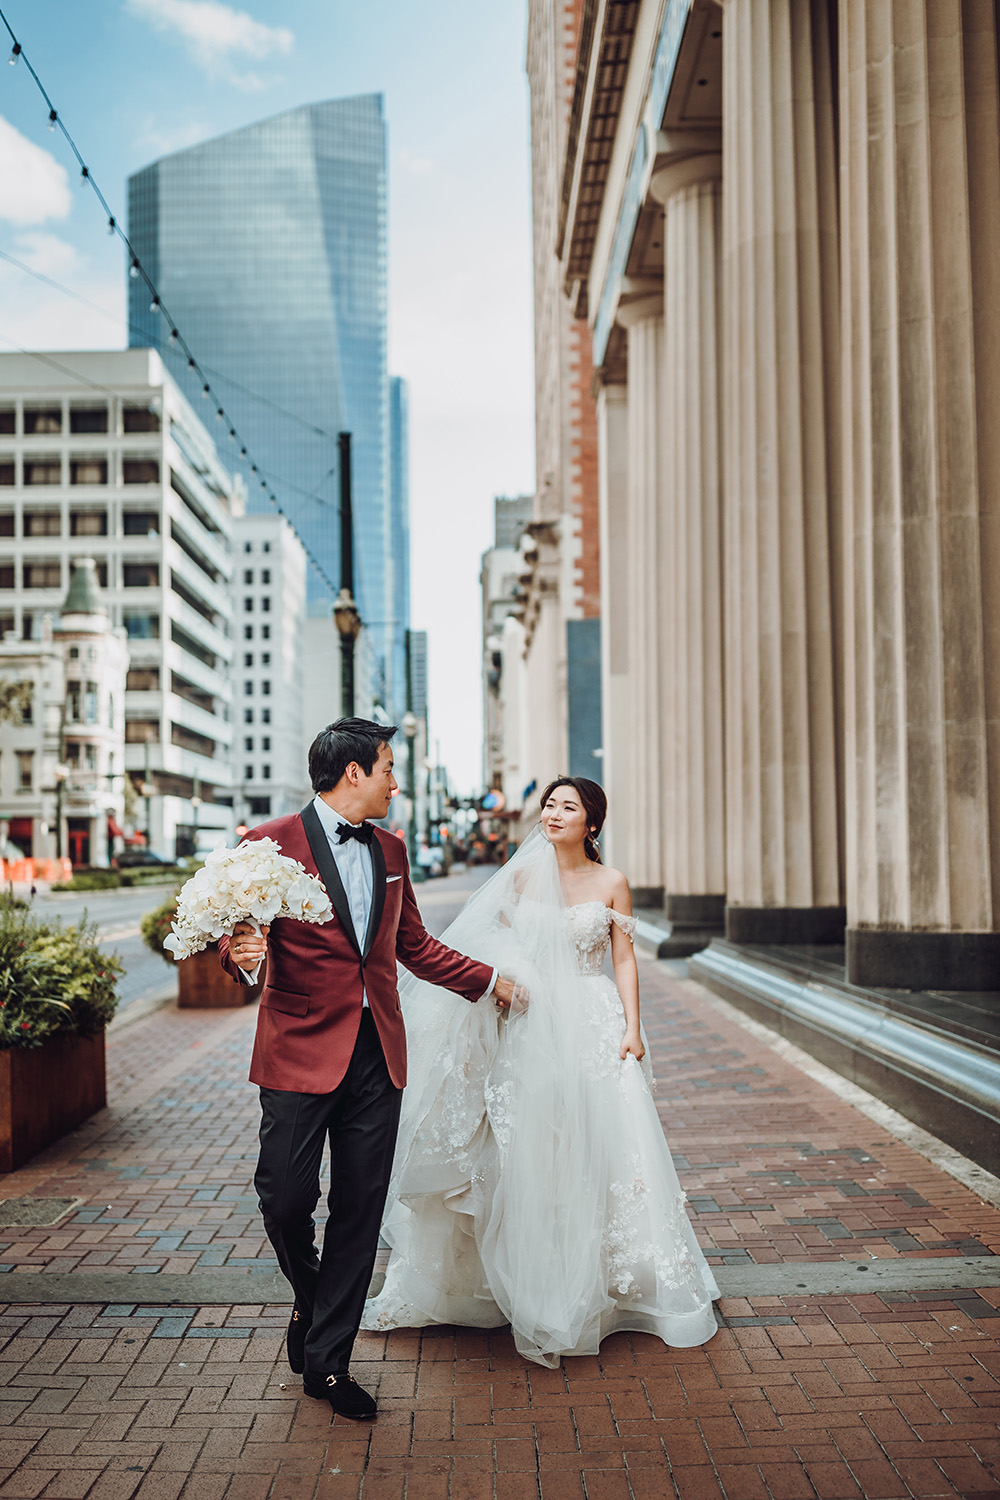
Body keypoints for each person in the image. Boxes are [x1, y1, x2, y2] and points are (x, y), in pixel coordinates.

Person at [361, 776, 720, 1366]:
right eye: (549, 805)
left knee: (608, 1142)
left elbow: (624, 960)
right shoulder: (521, 877)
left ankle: (612, 1277)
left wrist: (632, 1027)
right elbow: (487, 946)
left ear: (592, 823)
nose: (553, 814)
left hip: (592, 1020)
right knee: (533, 1147)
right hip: (529, 1027)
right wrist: (504, 986)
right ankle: (530, 1276)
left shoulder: (611, 883)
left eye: (567, 807)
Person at [220, 718, 521, 1420]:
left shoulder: (391, 848)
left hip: (377, 1055)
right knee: (284, 1199)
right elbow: (242, 942)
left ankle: (328, 1365)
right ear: (353, 772)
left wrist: (489, 980)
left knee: (359, 1209)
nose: (396, 779)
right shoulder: (269, 843)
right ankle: (314, 1299)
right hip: (296, 1049)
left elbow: (412, 944)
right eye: (388, 766)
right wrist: (245, 960)